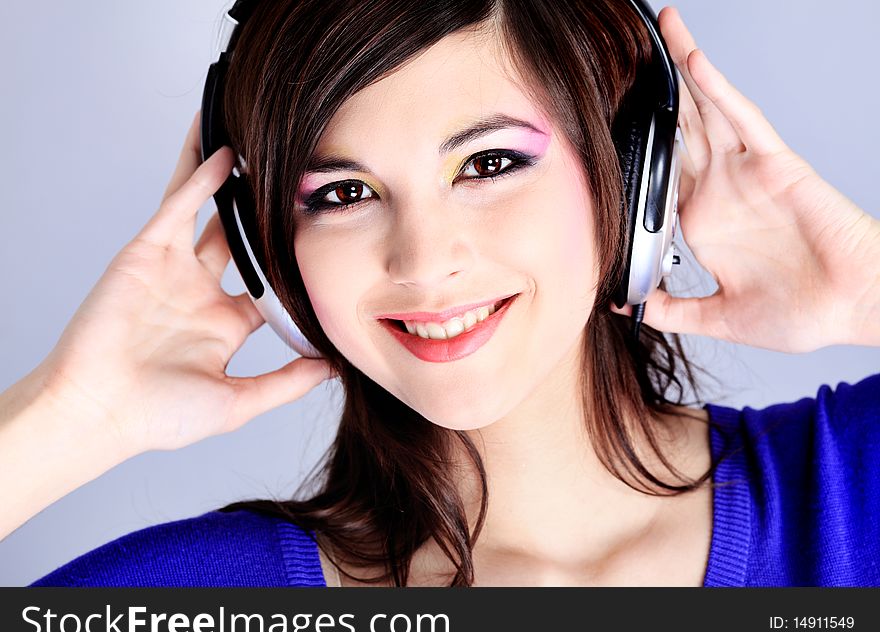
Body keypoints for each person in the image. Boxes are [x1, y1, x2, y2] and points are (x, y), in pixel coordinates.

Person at [3, 0, 878, 587]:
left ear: (627, 169)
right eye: (342, 194)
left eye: (489, 163)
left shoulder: (848, 487)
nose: (421, 262)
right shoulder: (209, 595)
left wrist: (864, 287)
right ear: (272, 251)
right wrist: (70, 416)